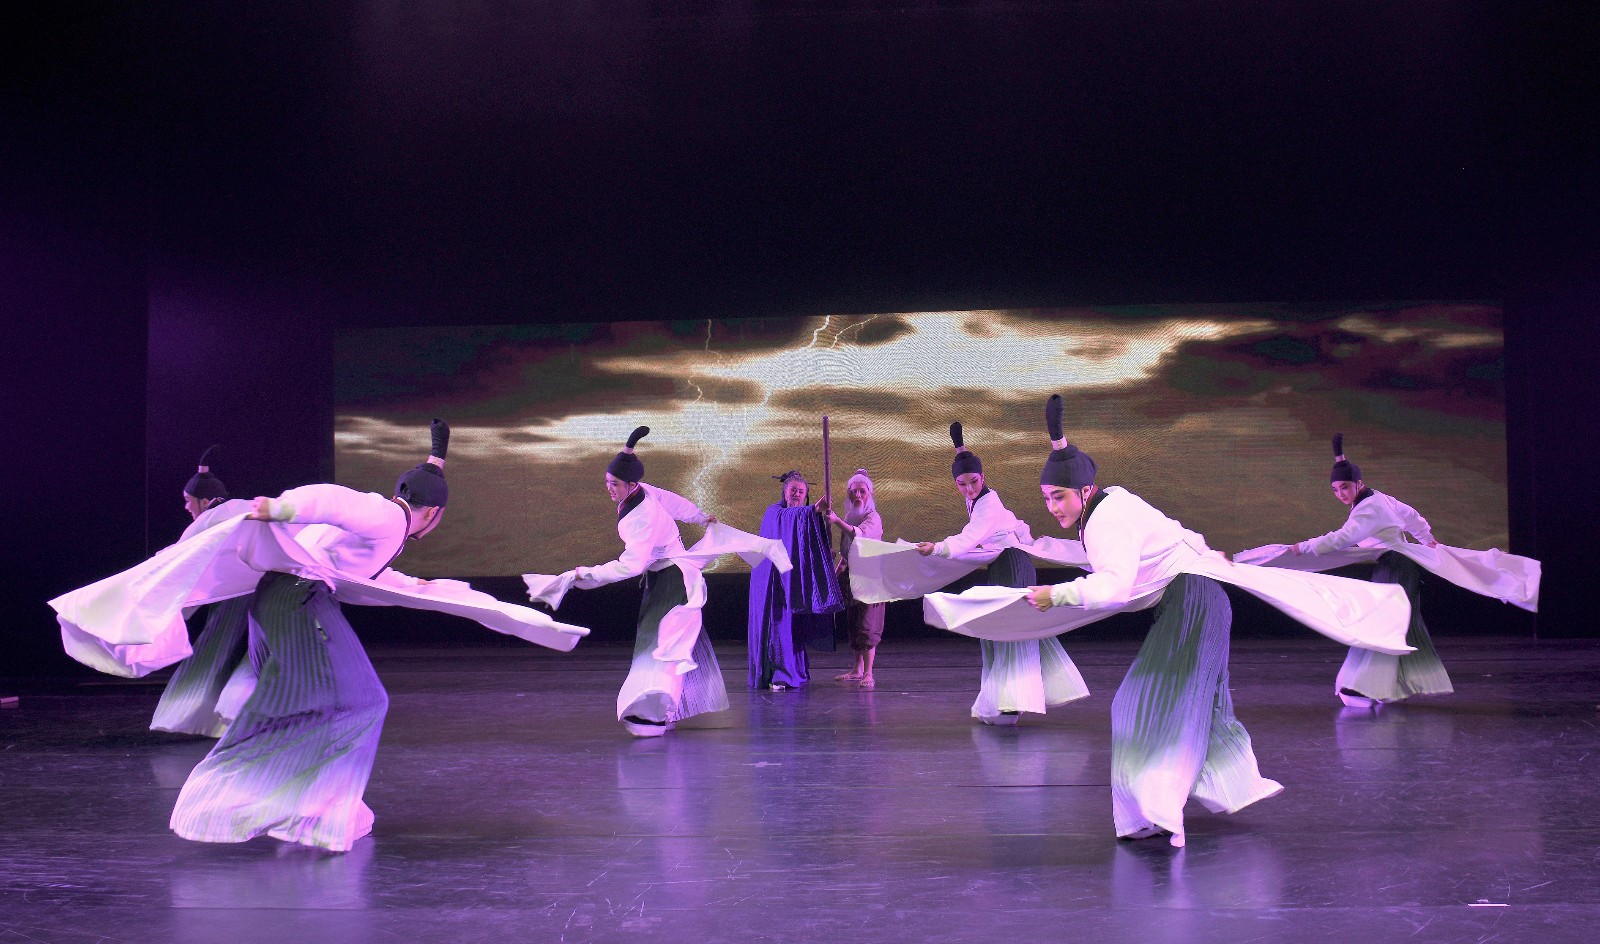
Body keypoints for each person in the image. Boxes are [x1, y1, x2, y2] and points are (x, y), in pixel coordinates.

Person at [168, 419, 454, 851]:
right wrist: (280, 508)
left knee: (313, 705)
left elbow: (354, 570)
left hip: (278, 601)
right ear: (433, 513)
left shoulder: (384, 529)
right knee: (362, 702)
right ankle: (304, 810)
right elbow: (332, 500)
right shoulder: (385, 516)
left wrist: (414, 585)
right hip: (298, 602)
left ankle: (307, 805)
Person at [1020, 396, 1283, 847]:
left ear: (1084, 491)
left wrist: (1055, 594)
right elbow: (1174, 535)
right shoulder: (1114, 500)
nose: (1052, 507)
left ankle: (1154, 811)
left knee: (1139, 704)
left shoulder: (1104, 520)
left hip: (1192, 605)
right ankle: (1201, 792)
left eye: (1058, 496)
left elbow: (1114, 587)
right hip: (1203, 600)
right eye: (1046, 498)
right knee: (1193, 706)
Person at [1265, 434, 1538, 708]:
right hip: (1400, 565)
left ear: (1358, 483)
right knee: (1400, 625)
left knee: (1380, 622)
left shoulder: (1369, 508)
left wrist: (1305, 547)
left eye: (1344, 487)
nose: (1341, 495)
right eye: (1335, 490)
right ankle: (1393, 685)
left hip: (1396, 565)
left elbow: (1343, 538)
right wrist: (1426, 538)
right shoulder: (1378, 499)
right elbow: (1412, 516)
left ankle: (1362, 686)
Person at [562, 427, 732, 737]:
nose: (609, 489)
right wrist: (699, 516)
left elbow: (631, 565)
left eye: (614, 484)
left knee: (658, 648)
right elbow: (674, 502)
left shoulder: (640, 516)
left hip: (673, 581)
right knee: (664, 646)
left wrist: (588, 574)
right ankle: (663, 712)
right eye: (607, 482)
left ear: (630, 484)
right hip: (668, 578)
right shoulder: (642, 492)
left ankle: (652, 716)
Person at [915, 422, 1088, 725]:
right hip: (1005, 564)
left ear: (983, 478)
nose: (969, 489)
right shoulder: (978, 499)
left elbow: (971, 536)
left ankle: (1010, 705)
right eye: (962, 484)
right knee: (1001, 629)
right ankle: (1004, 701)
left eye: (974, 481)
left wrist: (939, 548)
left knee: (1007, 630)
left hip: (1012, 565)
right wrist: (959, 446)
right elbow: (1010, 525)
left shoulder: (988, 504)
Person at [150, 445, 258, 737]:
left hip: (236, 601)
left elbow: (180, 557)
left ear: (205, 501)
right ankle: (238, 716)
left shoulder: (208, 521)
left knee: (215, 654)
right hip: (261, 594)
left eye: (189, 501)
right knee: (248, 658)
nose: (187, 508)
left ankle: (199, 716)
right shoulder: (242, 508)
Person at [747, 470, 844, 691]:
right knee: (778, 624)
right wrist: (813, 510)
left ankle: (795, 669)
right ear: (784, 492)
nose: (797, 494)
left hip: (792, 581)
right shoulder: (774, 513)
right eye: (793, 490)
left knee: (794, 625)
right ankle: (778, 674)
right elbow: (788, 519)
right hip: (772, 581)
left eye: (801, 491)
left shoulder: (805, 518)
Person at [828, 469, 885, 688]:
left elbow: (859, 535)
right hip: (853, 578)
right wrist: (837, 571)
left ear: (870, 493)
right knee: (854, 623)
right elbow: (847, 552)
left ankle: (868, 673)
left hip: (871, 579)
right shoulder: (850, 517)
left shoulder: (873, 518)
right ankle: (857, 669)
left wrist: (835, 520)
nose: (858, 495)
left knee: (868, 625)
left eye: (862, 491)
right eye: (853, 491)